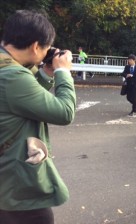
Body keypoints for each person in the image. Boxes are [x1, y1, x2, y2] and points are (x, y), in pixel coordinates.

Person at [0, 10, 76, 224]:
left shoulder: (6, 68)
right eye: (45, 48)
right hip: (15, 187)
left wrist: (47, 73)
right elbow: (64, 112)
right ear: (35, 46)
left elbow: (23, 103)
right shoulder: (13, 76)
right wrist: (63, 72)